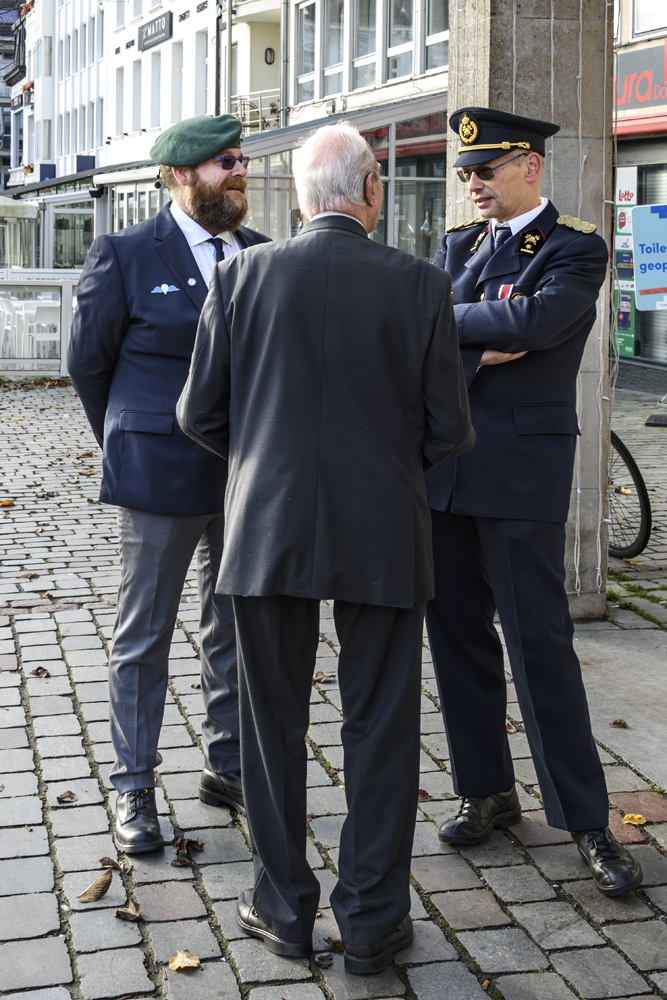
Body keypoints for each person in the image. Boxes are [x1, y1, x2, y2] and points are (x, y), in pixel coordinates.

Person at [177, 122, 474, 972]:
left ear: (304, 200)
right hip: (384, 525)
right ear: (370, 189)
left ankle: (281, 908)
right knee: (381, 722)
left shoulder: (240, 276)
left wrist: (260, 462)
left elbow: (197, 413)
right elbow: (449, 428)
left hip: (265, 522)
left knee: (270, 721)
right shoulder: (421, 284)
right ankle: (373, 921)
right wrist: (385, 468)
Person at [425, 106, 643, 897]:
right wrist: (476, 340)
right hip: (445, 473)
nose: (473, 184)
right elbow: (442, 331)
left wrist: (450, 329)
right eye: (465, 173)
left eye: (486, 169)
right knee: (456, 642)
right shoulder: (456, 246)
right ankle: (485, 791)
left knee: (538, 646)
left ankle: (584, 820)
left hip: (520, 475)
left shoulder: (574, 246)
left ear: (530, 165)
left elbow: (538, 322)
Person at [68, 114, 270, 854]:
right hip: (159, 472)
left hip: (246, 473)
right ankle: (133, 786)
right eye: (225, 162)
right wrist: (131, 438)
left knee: (234, 624)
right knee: (144, 634)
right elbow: (88, 364)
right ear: (181, 174)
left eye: (241, 159)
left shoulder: (258, 253)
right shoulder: (124, 253)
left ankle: (227, 764)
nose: (239, 171)